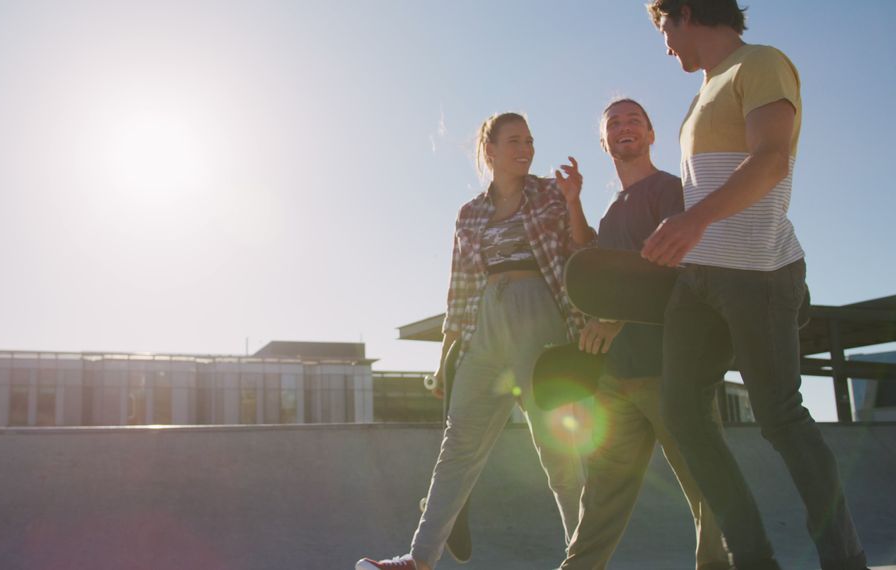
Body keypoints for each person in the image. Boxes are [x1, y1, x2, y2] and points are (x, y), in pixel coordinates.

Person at [641, 2, 868, 569]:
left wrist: (694, 221)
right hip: (700, 280)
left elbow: (770, 161)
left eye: (663, 27)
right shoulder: (700, 95)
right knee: (682, 411)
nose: (664, 44)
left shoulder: (759, 64)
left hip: (759, 274)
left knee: (780, 416)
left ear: (685, 13)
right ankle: (753, 559)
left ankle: (845, 560)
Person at [357, 112, 595, 570]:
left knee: (557, 451)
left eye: (529, 140)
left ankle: (585, 559)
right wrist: (448, 358)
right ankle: (420, 559)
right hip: (484, 330)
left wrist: (575, 202)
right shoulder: (470, 213)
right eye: (513, 141)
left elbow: (582, 250)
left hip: (540, 323)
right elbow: (460, 287)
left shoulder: (550, 193)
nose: (525, 148)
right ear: (490, 150)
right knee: (457, 446)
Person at [559, 98, 730, 570]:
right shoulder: (615, 212)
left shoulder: (670, 192)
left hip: (671, 371)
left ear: (652, 135)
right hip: (619, 381)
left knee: (709, 490)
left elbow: (680, 270)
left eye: (634, 119)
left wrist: (616, 317)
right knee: (599, 505)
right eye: (614, 122)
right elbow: (590, 258)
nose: (624, 126)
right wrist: (574, 202)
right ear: (604, 142)